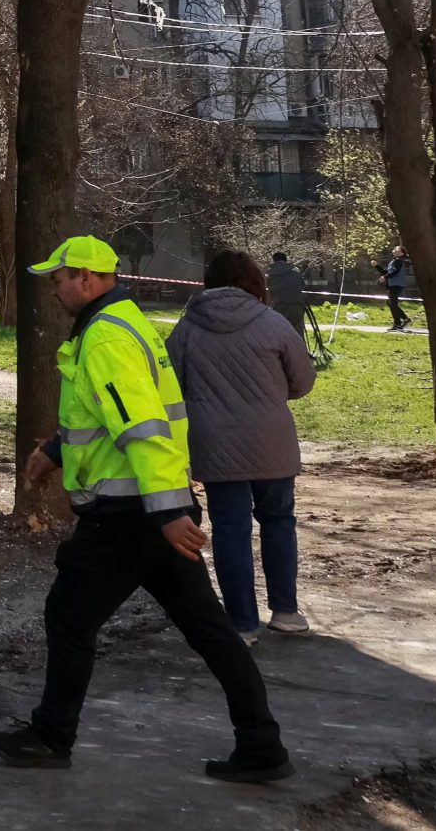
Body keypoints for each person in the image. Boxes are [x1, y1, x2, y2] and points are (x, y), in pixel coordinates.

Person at [0, 235, 290, 784]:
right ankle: (262, 745)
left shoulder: (105, 337)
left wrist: (170, 513)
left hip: (130, 514)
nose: (53, 289)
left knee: (69, 616)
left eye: (57, 279)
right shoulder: (125, 323)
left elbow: (143, 428)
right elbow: (111, 414)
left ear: (84, 278)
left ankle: (52, 736)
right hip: (154, 510)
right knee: (211, 631)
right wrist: (55, 452)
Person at [168, 250, 317, 644]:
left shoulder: (186, 328)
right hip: (272, 441)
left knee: (230, 530)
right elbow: (302, 381)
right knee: (279, 522)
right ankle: (285, 610)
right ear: (254, 281)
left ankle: (242, 623)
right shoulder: (274, 324)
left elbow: (171, 386)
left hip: (214, 443)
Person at [267, 249, 328, 361]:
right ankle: (302, 356)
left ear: (274, 260)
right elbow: (302, 286)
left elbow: (269, 290)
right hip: (296, 305)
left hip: (279, 306)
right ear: (286, 260)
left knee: (280, 332)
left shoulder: (270, 274)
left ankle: (282, 356)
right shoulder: (295, 271)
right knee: (298, 331)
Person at [379, 242, 416, 331]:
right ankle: (405, 319)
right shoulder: (394, 261)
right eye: (395, 248)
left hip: (396, 285)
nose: (395, 249)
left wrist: (385, 277)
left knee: (392, 304)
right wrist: (377, 266)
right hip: (392, 285)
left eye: (397, 249)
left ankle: (398, 324)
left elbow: (394, 273)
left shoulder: (399, 261)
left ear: (402, 253)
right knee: (390, 303)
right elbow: (386, 272)